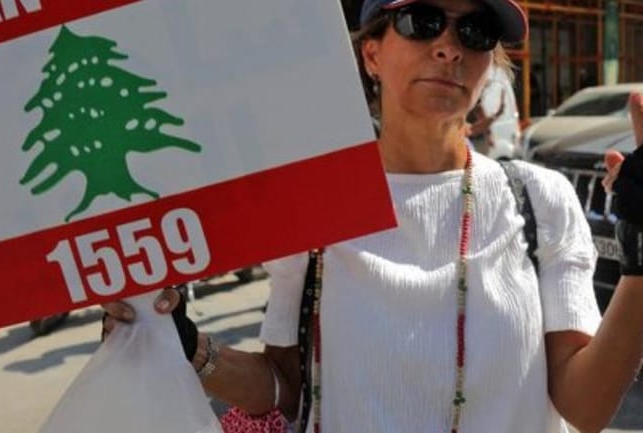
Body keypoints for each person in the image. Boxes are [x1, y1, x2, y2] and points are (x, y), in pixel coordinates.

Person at [102, 0, 643, 432]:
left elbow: (586, 407)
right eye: (422, 21)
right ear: (371, 55)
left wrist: (642, 258)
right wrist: (185, 344)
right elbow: (285, 389)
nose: (449, 48)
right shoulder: (314, 207)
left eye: (474, 32)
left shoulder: (539, 199)